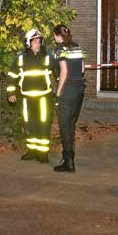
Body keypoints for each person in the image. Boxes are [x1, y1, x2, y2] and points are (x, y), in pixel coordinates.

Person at [7, 28, 53, 163]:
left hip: (43, 98)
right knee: (29, 124)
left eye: (39, 41)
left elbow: (60, 69)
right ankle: (32, 151)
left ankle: (43, 153)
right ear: (28, 43)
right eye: (35, 41)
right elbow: (12, 76)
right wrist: (11, 93)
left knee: (43, 125)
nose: (38, 43)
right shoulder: (20, 59)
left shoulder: (48, 57)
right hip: (26, 98)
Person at [52, 24, 85, 173]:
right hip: (79, 89)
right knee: (71, 124)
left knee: (65, 126)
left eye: (54, 35)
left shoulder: (59, 49)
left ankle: (68, 162)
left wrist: (58, 94)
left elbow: (64, 72)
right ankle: (70, 158)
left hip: (68, 91)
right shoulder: (76, 47)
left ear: (58, 36)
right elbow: (82, 69)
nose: (54, 38)